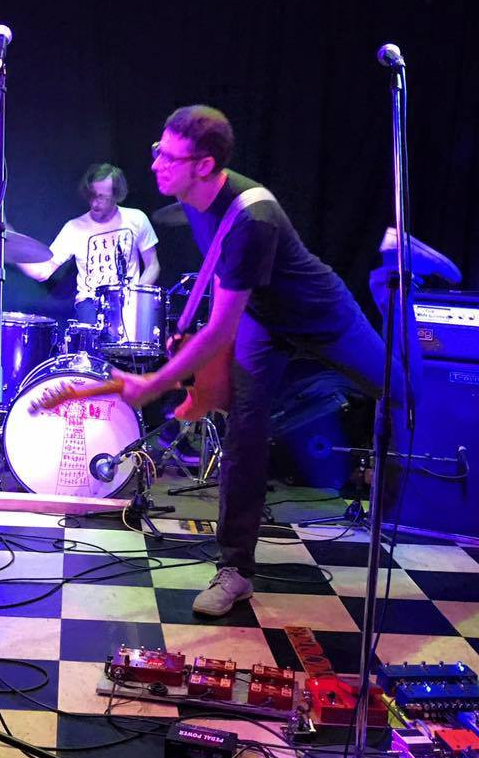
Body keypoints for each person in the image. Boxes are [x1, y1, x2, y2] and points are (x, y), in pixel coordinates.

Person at [113, 105, 395, 617]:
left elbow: (220, 329)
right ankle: (236, 569)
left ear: (204, 165)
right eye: (157, 150)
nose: (155, 164)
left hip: (321, 315)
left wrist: (154, 382)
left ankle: (390, 273)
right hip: (262, 320)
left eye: (167, 156)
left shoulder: (253, 217)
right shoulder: (194, 202)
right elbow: (225, 287)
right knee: (245, 430)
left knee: (404, 395)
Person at [19, 163, 159, 322]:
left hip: (127, 303)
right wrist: (11, 250)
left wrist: (135, 296)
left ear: (116, 195)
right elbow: (42, 272)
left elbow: (153, 265)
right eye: (92, 195)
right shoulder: (74, 228)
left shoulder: (136, 219)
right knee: (89, 316)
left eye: (102, 197)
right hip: (90, 304)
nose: (94, 203)